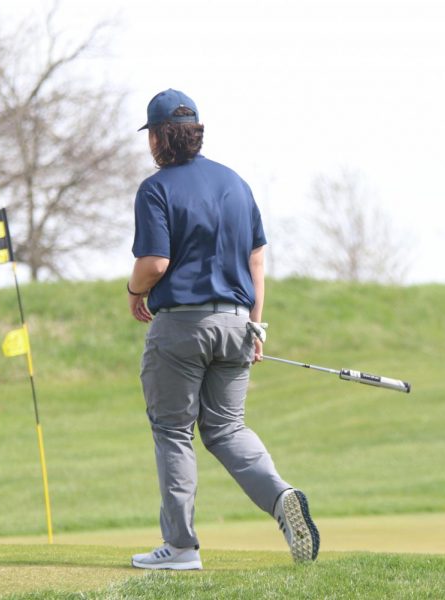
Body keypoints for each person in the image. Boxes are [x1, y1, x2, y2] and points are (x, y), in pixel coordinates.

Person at [126, 89, 319, 570]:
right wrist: (255, 326)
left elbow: (154, 263)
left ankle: (181, 548)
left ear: (157, 138)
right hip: (237, 324)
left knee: (173, 431)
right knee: (227, 428)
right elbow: (256, 258)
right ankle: (281, 497)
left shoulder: (157, 188)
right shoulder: (236, 183)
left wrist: (133, 292)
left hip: (181, 328)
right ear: (195, 133)